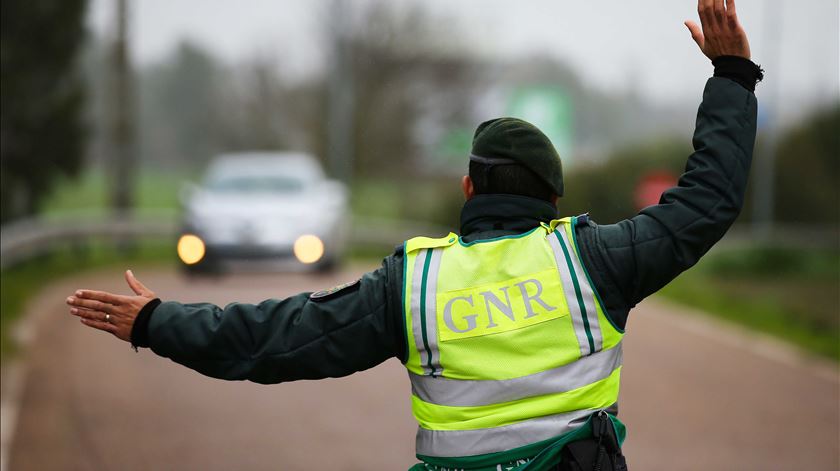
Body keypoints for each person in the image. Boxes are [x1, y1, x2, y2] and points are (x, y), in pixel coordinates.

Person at [66, 1, 763, 469]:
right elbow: (706, 201)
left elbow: (271, 340)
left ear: (468, 190)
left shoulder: (416, 284)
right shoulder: (594, 262)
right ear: (553, 202)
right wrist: (731, 77)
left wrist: (155, 322)